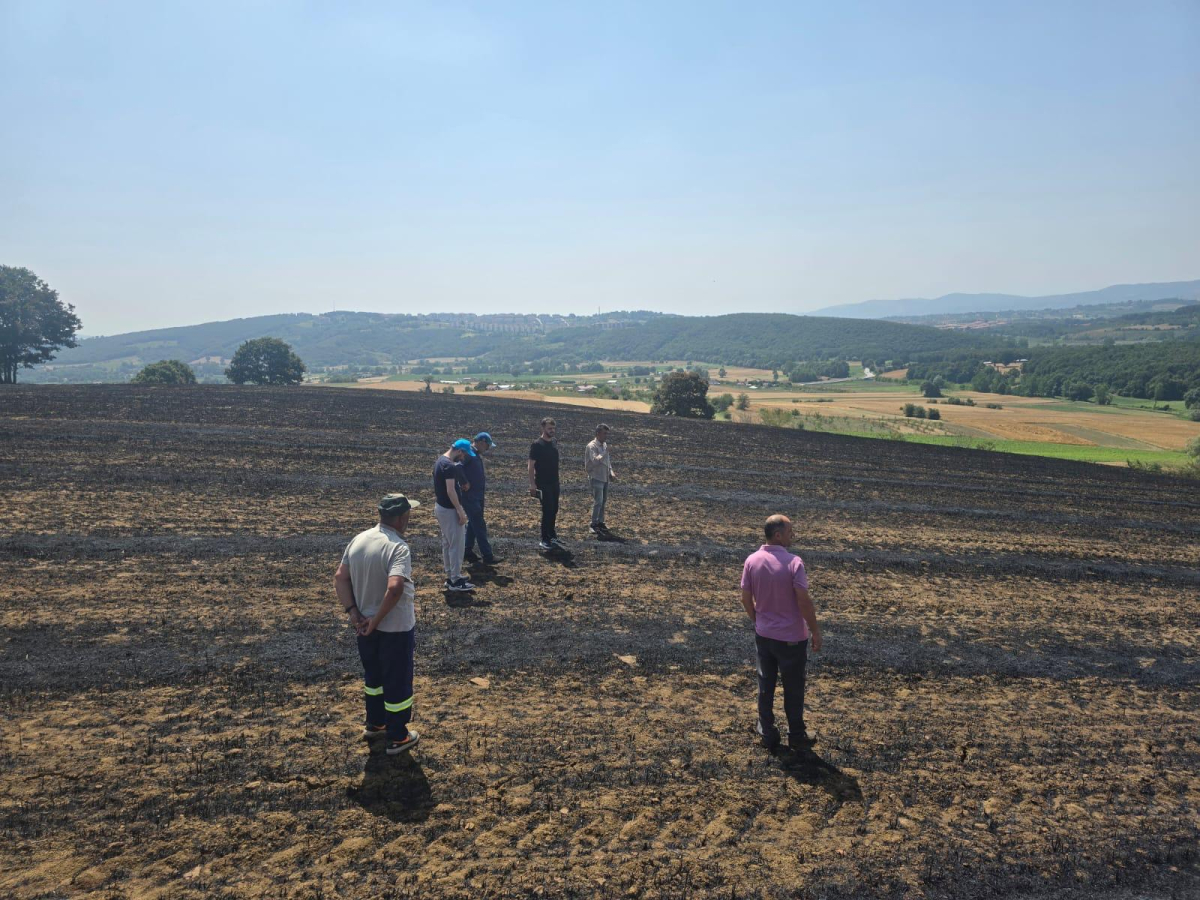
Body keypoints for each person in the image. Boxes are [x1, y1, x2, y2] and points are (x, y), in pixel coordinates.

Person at [334, 493, 422, 756]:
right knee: (397, 680)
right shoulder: (397, 547)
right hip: (393, 629)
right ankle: (398, 736)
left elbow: (340, 578)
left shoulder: (359, 540)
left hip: (364, 626)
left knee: (374, 678)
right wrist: (378, 619)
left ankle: (375, 722)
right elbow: (395, 588)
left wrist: (354, 613)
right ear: (401, 517)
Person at [740, 514, 823, 753]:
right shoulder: (794, 563)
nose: (792, 536)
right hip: (792, 638)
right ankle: (796, 734)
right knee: (793, 688)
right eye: (789, 532)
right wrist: (815, 630)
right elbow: (804, 601)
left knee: (766, 685)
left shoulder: (752, 561)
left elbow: (745, 598)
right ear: (778, 535)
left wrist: (758, 620)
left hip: (764, 635)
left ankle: (767, 732)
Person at [434, 440, 476, 591]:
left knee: (447, 543)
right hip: (449, 510)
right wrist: (460, 511)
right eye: (464, 454)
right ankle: (456, 580)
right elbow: (450, 491)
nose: (463, 458)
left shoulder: (440, 460)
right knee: (457, 545)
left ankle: (451, 575)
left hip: (441, 508)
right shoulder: (450, 466)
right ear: (459, 451)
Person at [462, 431, 502, 566]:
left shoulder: (475, 454)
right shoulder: (469, 454)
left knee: (473, 524)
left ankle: (467, 549)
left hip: (478, 496)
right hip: (470, 497)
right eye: (488, 445)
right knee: (479, 525)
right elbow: (457, 468)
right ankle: (487, 555)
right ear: (481, 442)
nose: (488, 449)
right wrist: (463, 482)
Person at [528, 416, 565, 552]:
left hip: (555, 482)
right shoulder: (537, 445)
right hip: (543, 484)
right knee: (547, 510)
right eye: (549, 428)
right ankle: (544, 539)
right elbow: (531, 466)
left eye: (553, 428)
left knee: (554, 509)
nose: (552, 430)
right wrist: (532, 484)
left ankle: (552, 535)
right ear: (543, 428)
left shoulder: (554, 442)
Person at [584, 423, 616, 535]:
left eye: (607, 433)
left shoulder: (605, 445)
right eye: (604, 433)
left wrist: (611, 472)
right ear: (597, 434)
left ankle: (601, 523)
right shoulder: (591, 446)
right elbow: (595, 461)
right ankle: (593, 524)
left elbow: (607, 461)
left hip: (605, 477)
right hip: (596, 477)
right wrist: (604, 452)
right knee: (598, 501)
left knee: (603, 501)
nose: (606, 436)